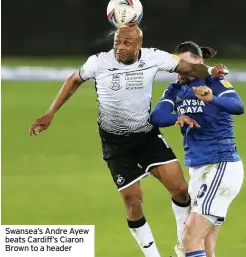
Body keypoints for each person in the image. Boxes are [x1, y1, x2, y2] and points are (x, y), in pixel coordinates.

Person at [29, 27, 228, 257]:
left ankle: (182, 247)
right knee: (134, 204)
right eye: (117, 42)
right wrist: (51, 112)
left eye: (126, 43)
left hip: (146, 136)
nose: (119, 47)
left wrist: (213, 70)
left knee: (181, 190)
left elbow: (190, 67)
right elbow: (74, 79)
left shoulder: (153, 57)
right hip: (116, 144)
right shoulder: (98, 62)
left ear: (138, 45)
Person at [150, 41, 244, 257]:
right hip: (198, 170)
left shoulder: (216, 83)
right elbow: (156, 116)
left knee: (189, 239)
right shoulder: (175, 89)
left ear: (200, 63)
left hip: (220, 165)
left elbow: (238, 106)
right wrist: (177, 117)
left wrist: (212, 98)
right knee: (205, 241)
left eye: (187, 64)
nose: (182, 70)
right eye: (178, 65)